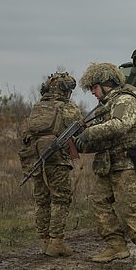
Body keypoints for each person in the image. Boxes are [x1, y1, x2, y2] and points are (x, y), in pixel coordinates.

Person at [74, 62, 136, 270]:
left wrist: (89, 133)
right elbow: (106, 138)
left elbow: (120, 125)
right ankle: (116, 246)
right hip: (112, 165)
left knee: (128, 208)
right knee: (98, 201)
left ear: (106, 83)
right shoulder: (107, 105)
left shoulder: (126, 101)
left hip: (130, 165)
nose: (93, 93)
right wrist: (80, 142)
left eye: (94, 88)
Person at [19, 72, 83, 257]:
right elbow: (80, 131)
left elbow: (26, 136)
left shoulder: (36, 108)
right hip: (57, 161)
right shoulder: (68, 109)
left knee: (42, 201)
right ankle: (56, 242)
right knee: (60, 199)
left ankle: (45, 241)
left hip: (35, 160)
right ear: (64, 90)